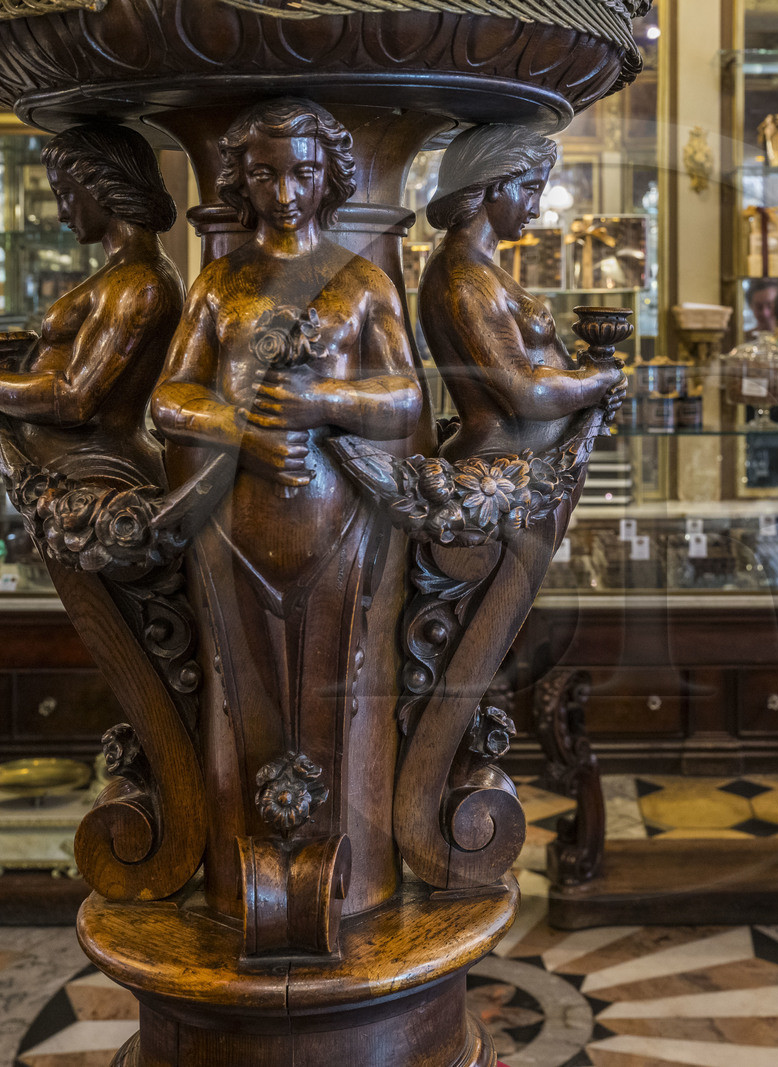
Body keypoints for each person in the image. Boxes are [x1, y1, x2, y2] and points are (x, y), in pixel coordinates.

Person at [150, 98, 423, 918]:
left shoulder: (362, 282)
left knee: (341, 678)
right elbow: (169, 398)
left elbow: (406, 397)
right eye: (265, 174)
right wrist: (240, 430)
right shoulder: (220, 283)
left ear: (329, 176)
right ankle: (244, 862)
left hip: (339, 521)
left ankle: (351, 865)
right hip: (236, 525)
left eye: (303, 172)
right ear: (241, 179)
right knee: (244, 686)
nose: (285, 192)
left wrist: (322, 402)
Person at [0, 124, 183, 484]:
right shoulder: (122, 273)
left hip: (100, 472)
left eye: (65, 194)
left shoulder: (138, 282)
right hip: (78, 470)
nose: (61, 214)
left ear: (104, 187)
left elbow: (74, 399)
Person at [420, 124, 624, 461]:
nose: (536, 209)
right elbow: (526, 393)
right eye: (530, 189)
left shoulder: (479, 268)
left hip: (523, 463)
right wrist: (598, 381)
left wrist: (594, 382)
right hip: (497, 465)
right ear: (495, 185)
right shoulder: (465, 277)